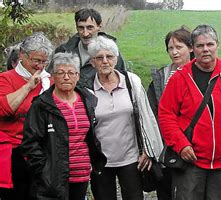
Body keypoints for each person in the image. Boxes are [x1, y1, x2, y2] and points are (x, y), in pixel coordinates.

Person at [158, 24, 221, 200]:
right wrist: (181, 145)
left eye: (210, 44)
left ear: (218, 45)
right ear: (193, 48)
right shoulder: (180, 78)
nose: (205, 49)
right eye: (200, 46)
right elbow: (166, 115)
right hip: (190, 163)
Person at [85, 36, 163, 200]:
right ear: (92, 62)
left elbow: (146, 116)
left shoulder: (131, 82)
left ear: (116, 58)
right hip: (100, 160)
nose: (105, 61)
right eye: (99, 58)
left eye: (110, 57)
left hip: (131, 158)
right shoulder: (87, 88)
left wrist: (148, 151)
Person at [21, 52, 107, 200]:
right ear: (53, 77)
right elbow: (30, 143)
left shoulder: (88, 101)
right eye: (60, 73)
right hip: (52, 180)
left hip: (81, 176)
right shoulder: (41, 105)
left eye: (70, 73)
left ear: (78, 76)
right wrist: (45, 171)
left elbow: (91, 135)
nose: (66, 77)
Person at [0, 32, 54, 200]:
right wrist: (28, 86)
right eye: (36, 60)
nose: (40, 66)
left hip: (41, 151)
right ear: (22, 55)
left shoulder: (49, 82)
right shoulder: (5, 79)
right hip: (14, 152)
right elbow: (5, 110)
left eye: (44, 62)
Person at [146, 26, 193, 200]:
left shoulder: (201, 73)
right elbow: (151, 112)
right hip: (165, 145)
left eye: (179, 47)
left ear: (190, 47)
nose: (174, 52)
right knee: (165, 191)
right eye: (170, 48)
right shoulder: (161, 77)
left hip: (192, 144)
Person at [48, 8, 126, 87]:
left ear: (99, 26)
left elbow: (123, 82)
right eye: (81, 28)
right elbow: (50, 80)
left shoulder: (111, 53)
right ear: (76, 27)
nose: (85, 33)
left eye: (90, 27)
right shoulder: (63, 50)